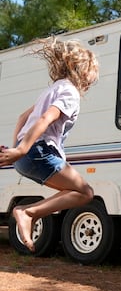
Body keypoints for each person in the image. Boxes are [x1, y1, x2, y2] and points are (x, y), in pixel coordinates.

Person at [0, 37, 99, 252]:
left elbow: (21, 118)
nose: (94, 79)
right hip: (37, 152)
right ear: (81, 70)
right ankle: (27, 213)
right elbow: (45, 118)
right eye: (93, 73)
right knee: (85, 193)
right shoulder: (70, 92)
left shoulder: (54, 88)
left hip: (26, 157)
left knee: (71, 190)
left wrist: (16, 149)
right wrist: (21, 150)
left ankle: (29, 213)